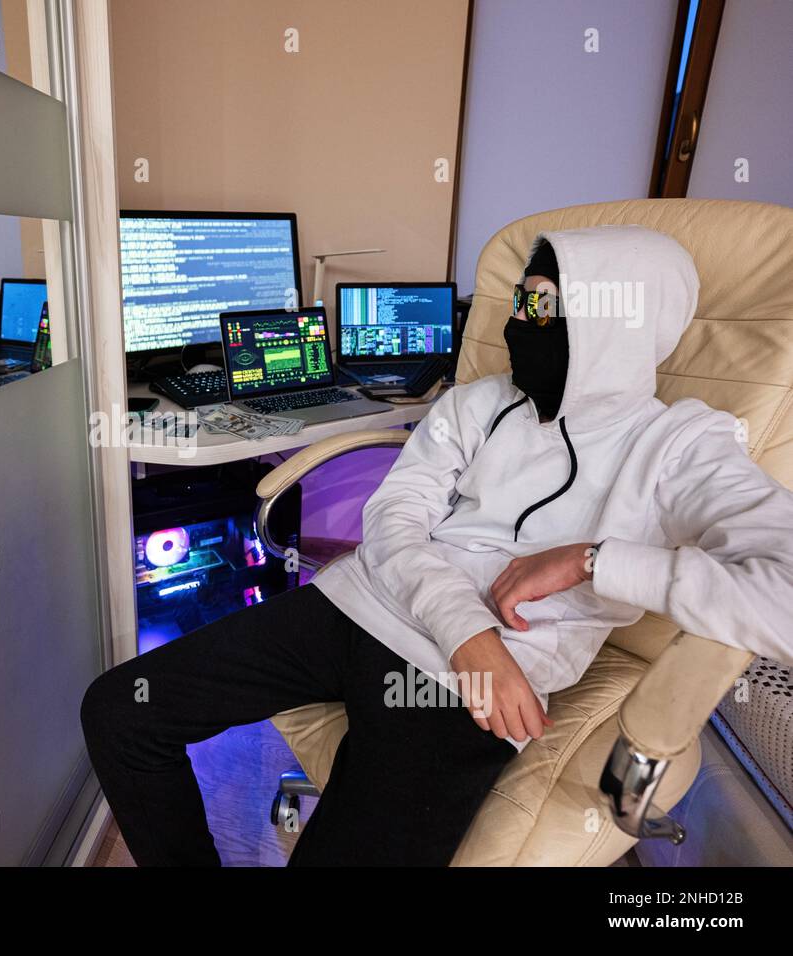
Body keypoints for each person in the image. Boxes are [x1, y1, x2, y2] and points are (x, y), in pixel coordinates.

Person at [80, 224, 793, 866]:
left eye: (540, 307)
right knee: (120, 712)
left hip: (466, 689)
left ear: (611, 320)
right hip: (364, 606)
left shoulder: (681, 445)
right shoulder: (479, 404)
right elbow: (394, 520)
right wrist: (468, 632)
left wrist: (591, 559)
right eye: (519, 300)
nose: (518, 323)